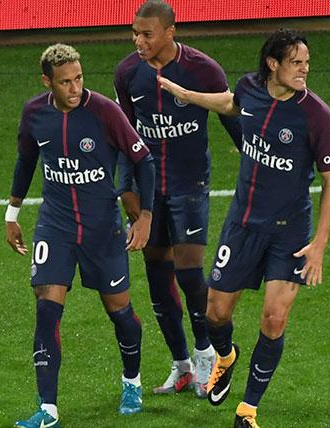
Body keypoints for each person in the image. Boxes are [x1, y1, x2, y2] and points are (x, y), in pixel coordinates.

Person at [157, 29, 330, 427]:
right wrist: (188, 96)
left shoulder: (315, 116)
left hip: (289, 231)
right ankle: (226, 356)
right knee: (215, 313)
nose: (305, 69)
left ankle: (248, 409)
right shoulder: (251, 89)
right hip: (243, 225)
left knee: (274, 318)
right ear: (273, 64)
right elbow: (230, 103)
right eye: (296, 62)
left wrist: (320, 243)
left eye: (307, 62)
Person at [5, 43, 155, 428]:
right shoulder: (35, 114)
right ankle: (48, 409)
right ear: (47, 82)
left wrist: (145, 217)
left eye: (79, 79)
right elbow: (26, 161)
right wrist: (12, 212)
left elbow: (143, 160)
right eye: (65, 82)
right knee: (46, 307)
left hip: (101, 228)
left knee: (120, 312)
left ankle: (132, 381)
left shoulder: (105, 111)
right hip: (55, 225)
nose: (74, 89)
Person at [113, 0, 242, 398]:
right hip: (150, 191)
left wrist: (254, 162)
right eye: (135, 33)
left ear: (170, 32)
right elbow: (124, 136)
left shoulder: (203, 69)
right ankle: (181, 364)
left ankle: (208, 356)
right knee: (156, 274)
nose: (139, 40)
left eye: (147, 34)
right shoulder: (127, 74)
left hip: (190, 184)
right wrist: (126, 188)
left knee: (189, 273)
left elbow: (232, 119)